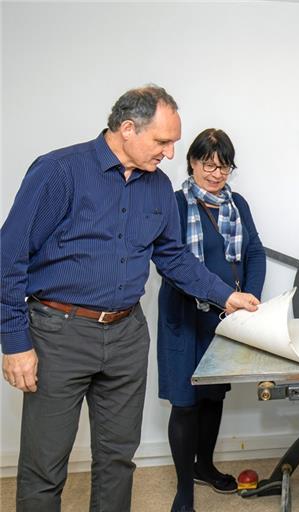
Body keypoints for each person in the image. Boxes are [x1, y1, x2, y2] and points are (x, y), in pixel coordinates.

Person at [0, 85, 260, 512]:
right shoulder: (59, 171)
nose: (171, 153)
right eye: (162, 141)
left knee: (118, 460)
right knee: (44, 466)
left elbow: (172, 255)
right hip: (57, 333)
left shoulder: (157, 187)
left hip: (126, 335)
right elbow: (10, 256)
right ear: (126, 129)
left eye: (173, 141)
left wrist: (225, 297)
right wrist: (15, 342)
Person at [157, 129, 266, 512]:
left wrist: (250, 298)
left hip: (224, 319)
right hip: (184, 317)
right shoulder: (173, 204)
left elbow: (254, 251)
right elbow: (173, 264)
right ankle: (183, 490)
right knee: (185, 403)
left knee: (212, 396)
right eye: (209, 165)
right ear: (192, 162)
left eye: (224, 167)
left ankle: (204, 466)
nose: (217, 174)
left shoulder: (238, 204)